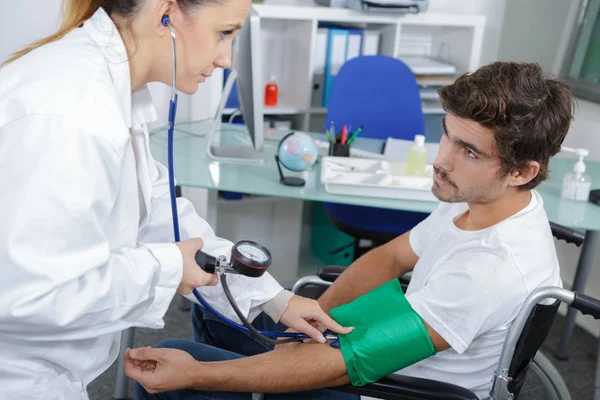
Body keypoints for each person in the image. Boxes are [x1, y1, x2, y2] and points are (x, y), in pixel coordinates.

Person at [125, 61, 575, 400]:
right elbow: (390, 258)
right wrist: (310, 322)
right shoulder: (480, 202)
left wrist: (197, 374)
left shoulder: (492, 268)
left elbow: (345, 367)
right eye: (447, 135)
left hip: (383, 388)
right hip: (377, 349)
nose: (442, 160)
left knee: (178, 358)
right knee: (215, 300)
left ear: (521, 171)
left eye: (470, 152)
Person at [0, 1, 352, 399]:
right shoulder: (71, 112)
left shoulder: (107, 90)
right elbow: (32, 294)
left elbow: (161, 216)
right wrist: (166, 268)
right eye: (224, 33)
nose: (226, 59)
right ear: (166, 13)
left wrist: (273, 298)